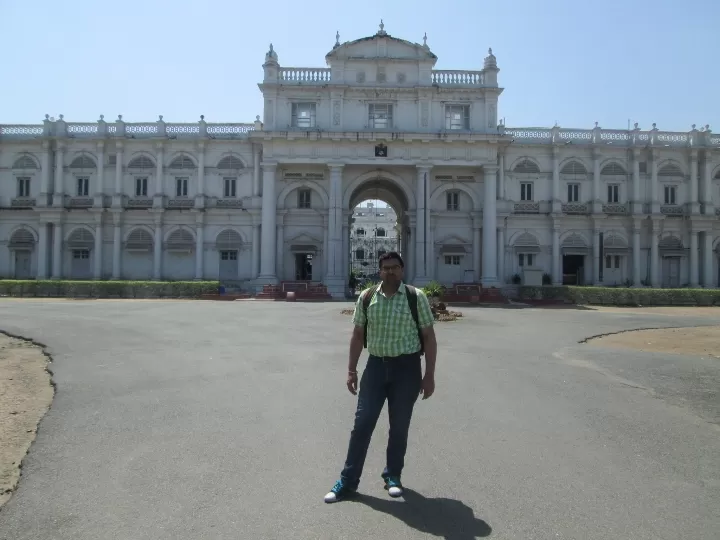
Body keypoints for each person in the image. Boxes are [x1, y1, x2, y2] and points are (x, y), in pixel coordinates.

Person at [324, 251, 437, 503]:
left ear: (402, 270)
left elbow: (429, 337)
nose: (390, 272)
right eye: (386, 268)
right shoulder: (367, 297)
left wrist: (429, 375)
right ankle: (348, 480)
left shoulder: (415, 297)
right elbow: (357, 335)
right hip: (375, 367)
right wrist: (351, 370)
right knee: (362, 424)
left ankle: (393, 476)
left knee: (399, 426)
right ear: (379, 270)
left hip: (407, 369)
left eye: (395, 267)